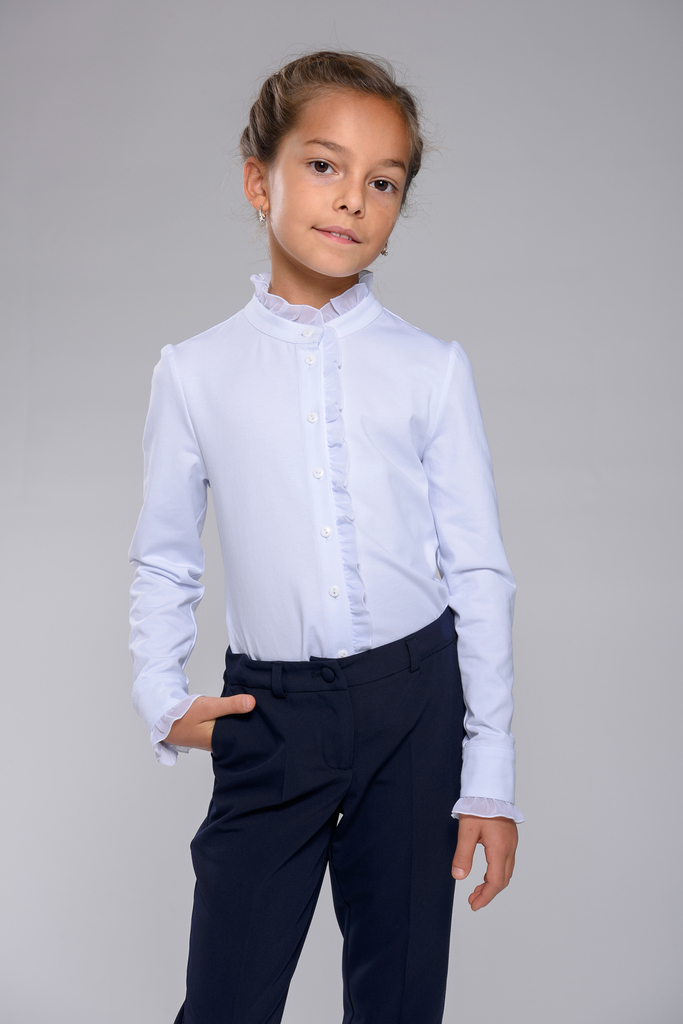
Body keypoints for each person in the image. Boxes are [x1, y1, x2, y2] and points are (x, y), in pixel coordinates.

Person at [128, 49, 524, 1024]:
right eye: (322, 165)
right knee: (225, 1000)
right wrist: (160, 697)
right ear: (258, 179)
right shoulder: (194, 372)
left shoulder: (430, 368)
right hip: (273, 712)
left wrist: (489, 779)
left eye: (382, 182)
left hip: (415, 704)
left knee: (398, 998)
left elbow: (477, 570)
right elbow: (166, 558)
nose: (351, 198)